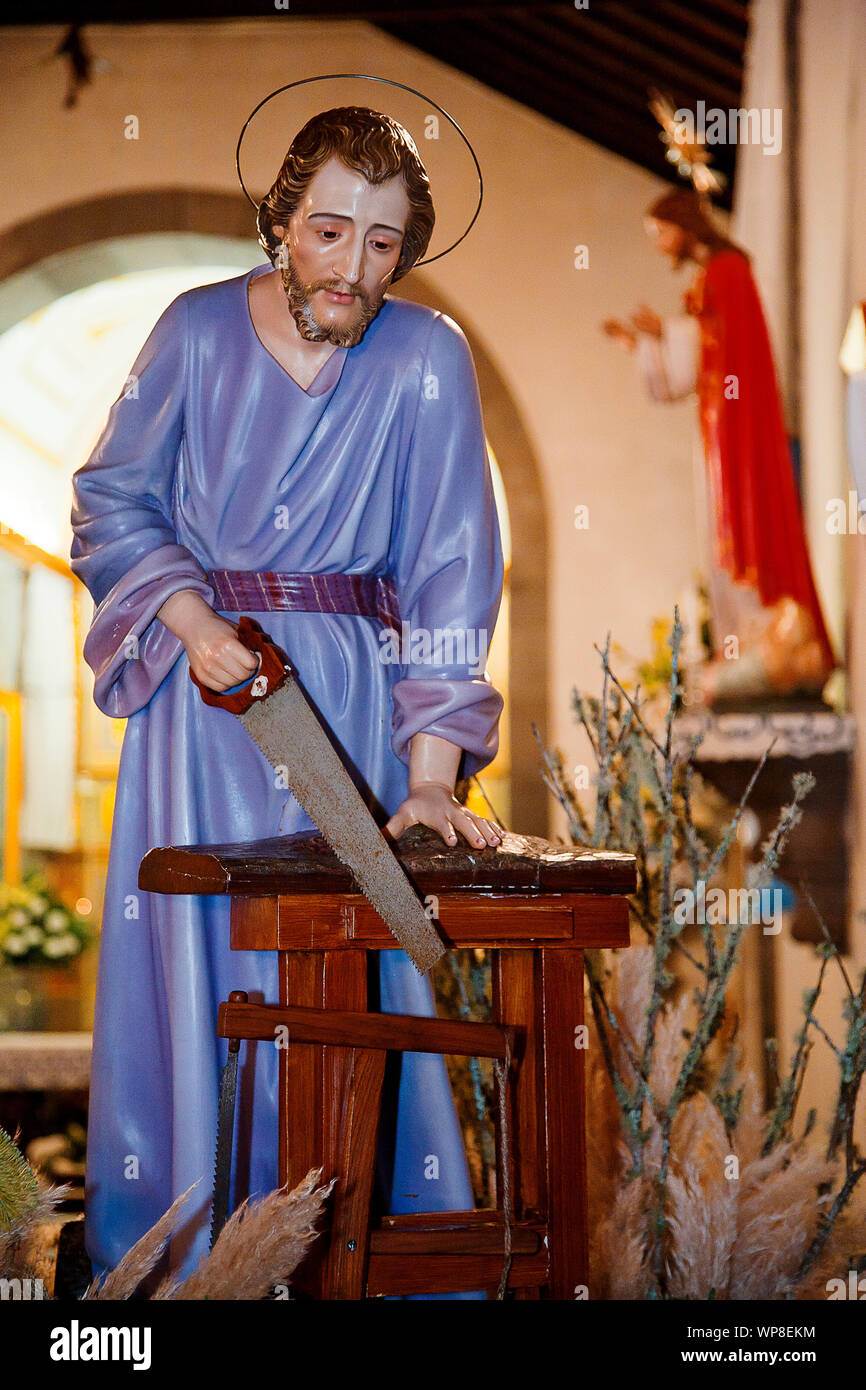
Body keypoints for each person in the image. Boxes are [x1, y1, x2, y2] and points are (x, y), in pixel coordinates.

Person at [70, 106, 504, 1296]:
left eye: (382, 241)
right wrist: (191, 620)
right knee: (193, 965)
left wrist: (425, 777)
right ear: (280, 222)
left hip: (350, 720)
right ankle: (177, 1273)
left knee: (350, 974)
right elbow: (110, 500)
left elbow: (450, 568)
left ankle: (364, 1257)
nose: (352, 266)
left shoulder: (427, 358)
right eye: (328, 230)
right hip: (207, 699)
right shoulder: (195, 329)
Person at [603, 187, 835, 705]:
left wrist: (667, 332)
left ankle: (771, 644)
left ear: (685, 226)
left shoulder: (729, 271)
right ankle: (746, 648)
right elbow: (697, 362)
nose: (660, 244)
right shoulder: (711, 276)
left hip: (739, 428)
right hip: (718, 428)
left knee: (745, 526)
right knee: (723, 529)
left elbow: (729, 345)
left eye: (661, 232)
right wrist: (646, 343)